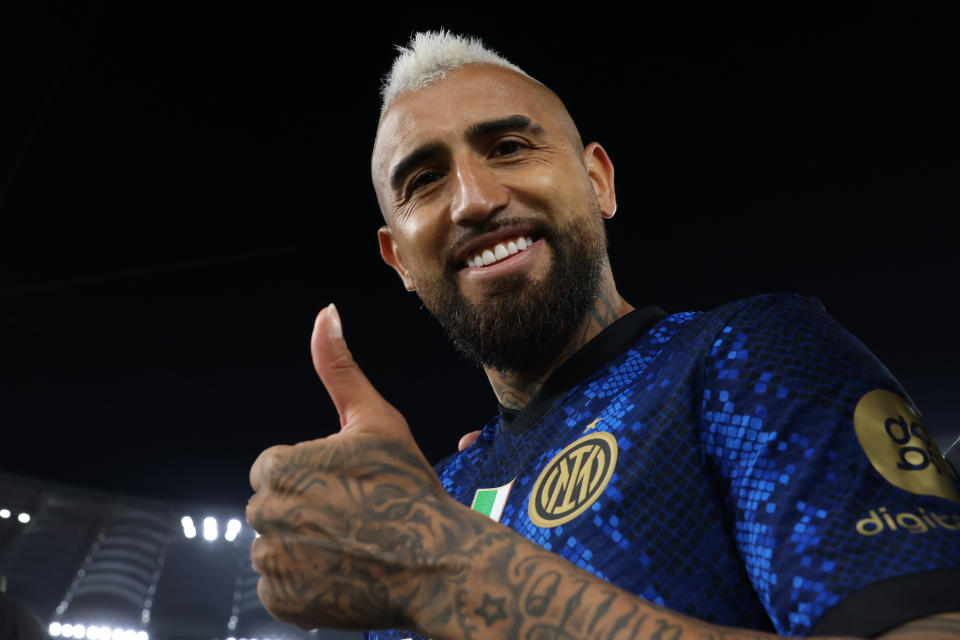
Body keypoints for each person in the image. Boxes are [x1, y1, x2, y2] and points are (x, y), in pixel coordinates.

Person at [245, 31, 960, 640]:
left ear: (599, 181)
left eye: (509, 146)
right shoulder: (435, 498)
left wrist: (445, 567)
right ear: (398, 257)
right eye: (424, 180)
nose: (474, 200)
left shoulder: (753, 359)